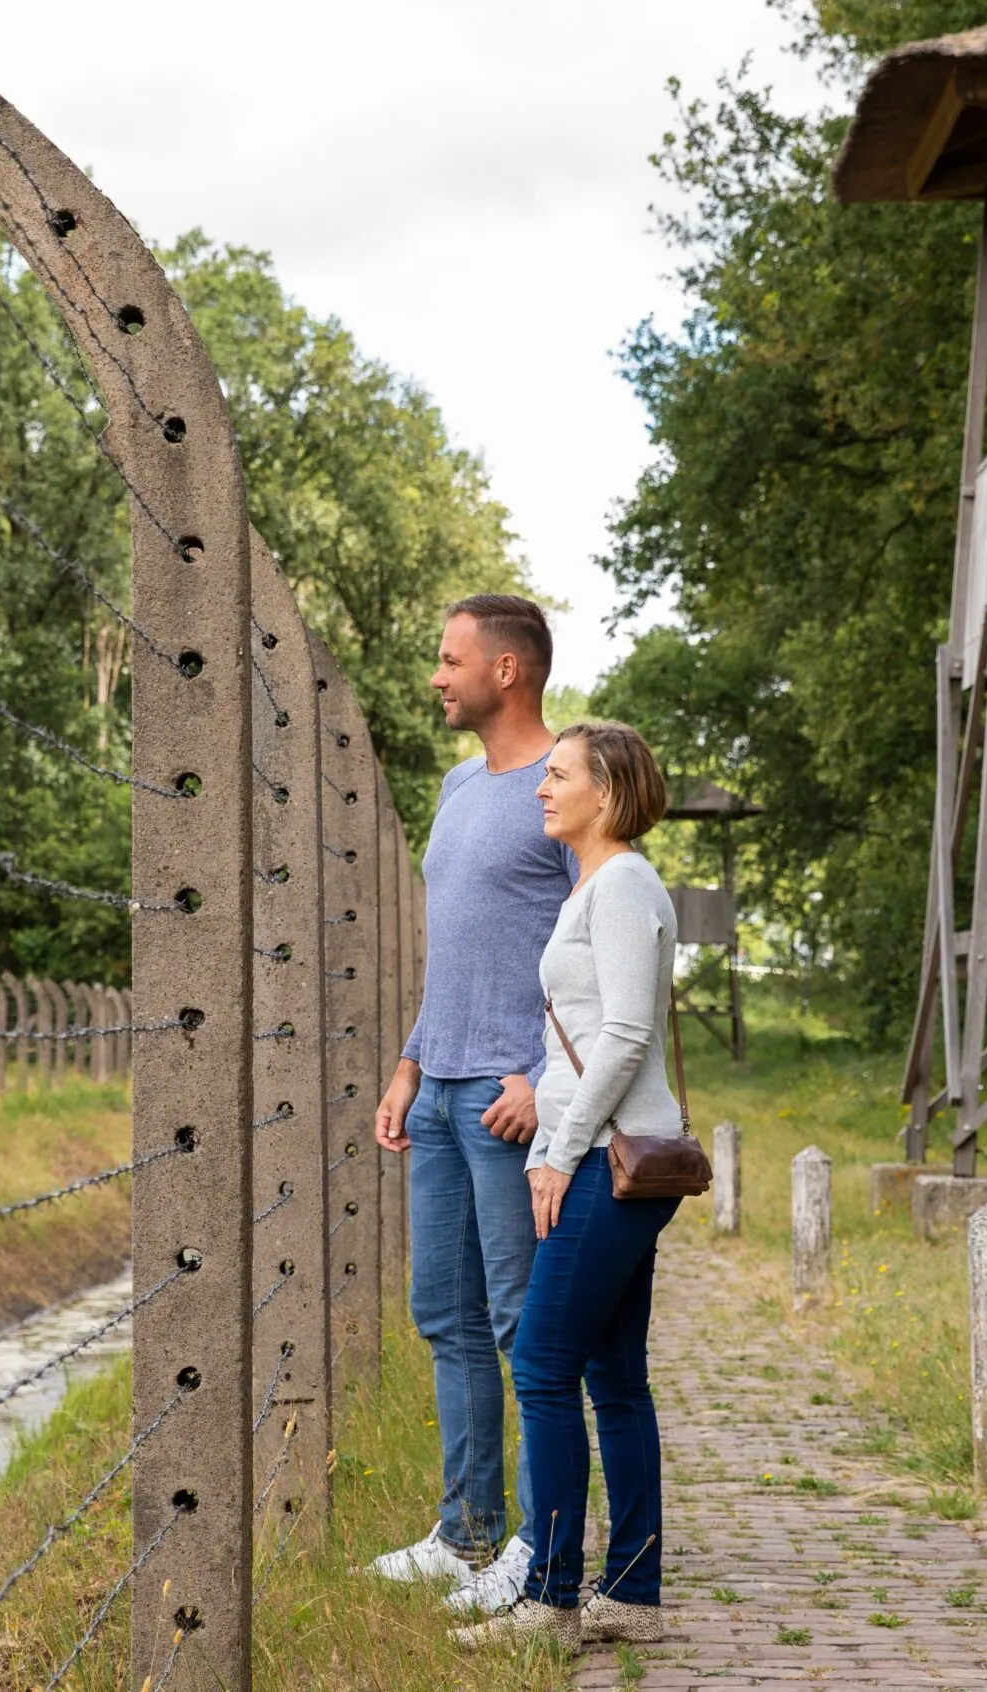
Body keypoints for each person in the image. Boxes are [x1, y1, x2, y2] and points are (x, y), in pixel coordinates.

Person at [453, 720, 684, 1654]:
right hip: (592, 1156)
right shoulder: (591, 884)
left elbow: (627, 1036)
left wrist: (558, 1151)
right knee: (613, 1379)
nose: (542, 789)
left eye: (558, 777)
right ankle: (630, 1595)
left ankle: (549, 1602)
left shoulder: (625, 883)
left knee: (544, 1364)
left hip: (605, 1163)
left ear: (608, 791)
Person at [370, 593, 575, 1614]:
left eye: (451, 662)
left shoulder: (568, 784)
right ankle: (465, 1538)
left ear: (507, 670)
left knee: (519, 1330)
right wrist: (410, 1061)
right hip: (439, 1091)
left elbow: (603, 947)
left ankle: (540, 1555)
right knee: (444, 1319)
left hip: (508, 1106)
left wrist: (543, 1077)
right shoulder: (456, 783)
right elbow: (455, 948)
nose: (437, 678)